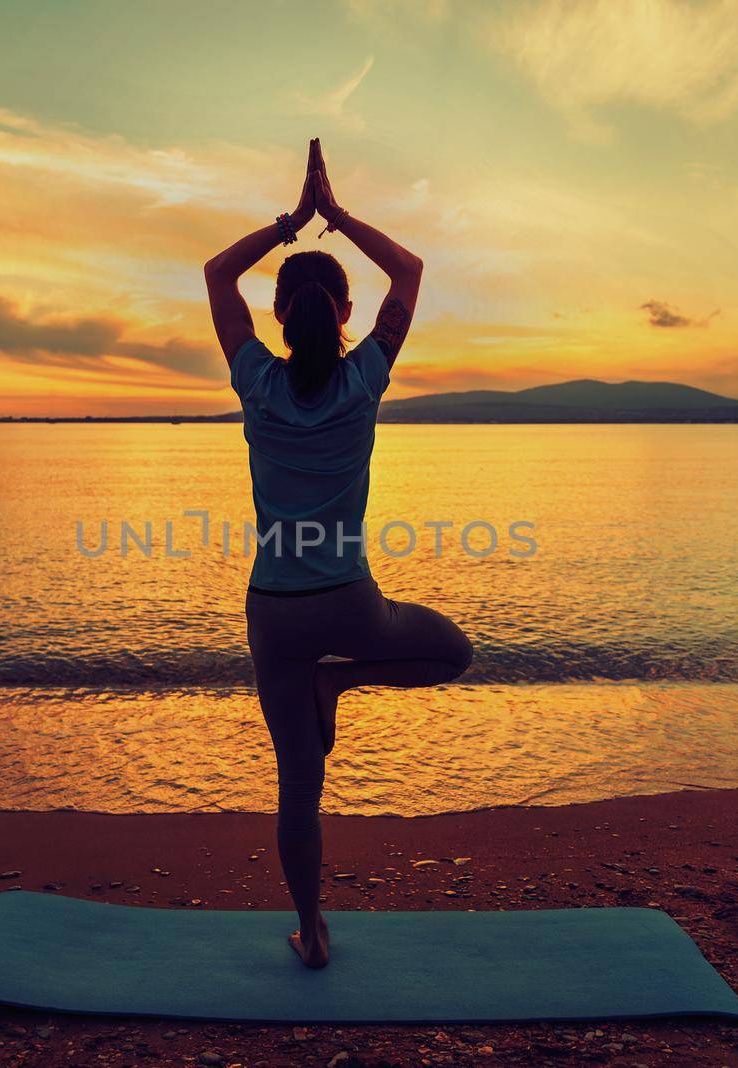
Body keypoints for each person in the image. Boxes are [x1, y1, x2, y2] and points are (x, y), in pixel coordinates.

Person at [203, 139, 473, 968]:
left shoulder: (256, 380)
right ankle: (344, 675)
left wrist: (290, 222)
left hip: (274, 613)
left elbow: (217, 276)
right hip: (351, 601)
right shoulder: (365, 381)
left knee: (297, 785)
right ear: (346, 316)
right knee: (453, 653)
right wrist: (338, 215)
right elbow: (414, 272)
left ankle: (312, 933)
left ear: (280, 316)